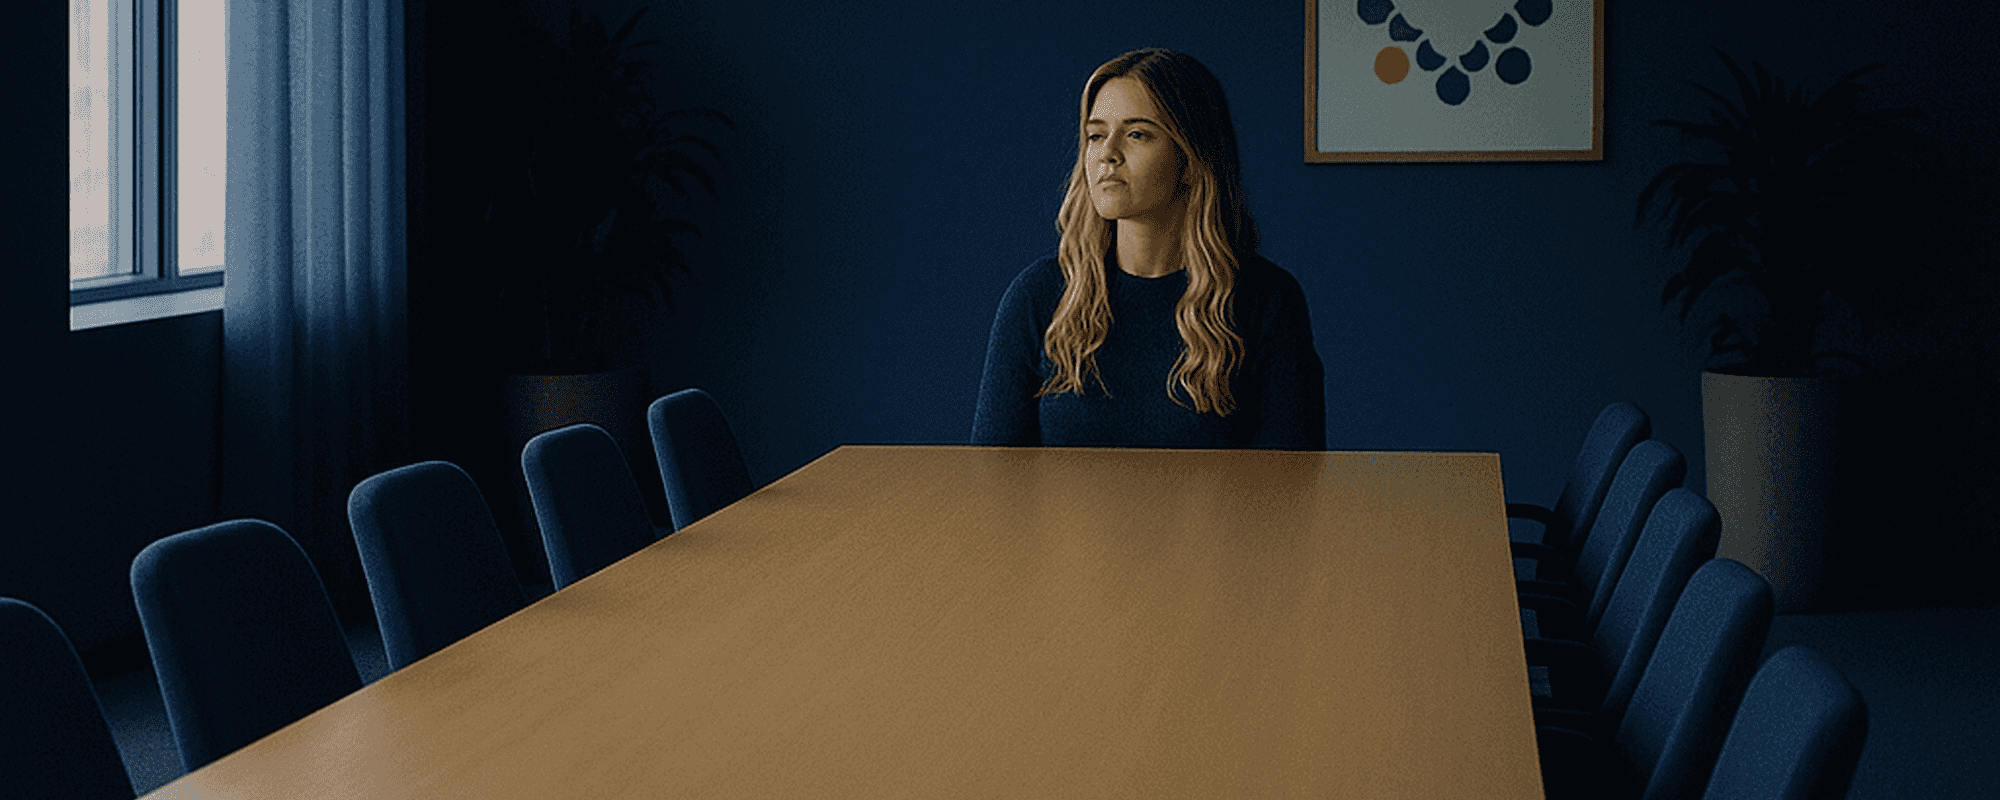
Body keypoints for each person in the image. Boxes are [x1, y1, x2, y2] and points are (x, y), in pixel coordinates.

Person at [971, 48, 1325, 449]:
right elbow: (995, 480)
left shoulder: (1268, 302)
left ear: (1191, 159)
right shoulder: (1039, 296)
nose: (1108, 153)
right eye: (1096, 135)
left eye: (1137, 134)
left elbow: (1291, 486)